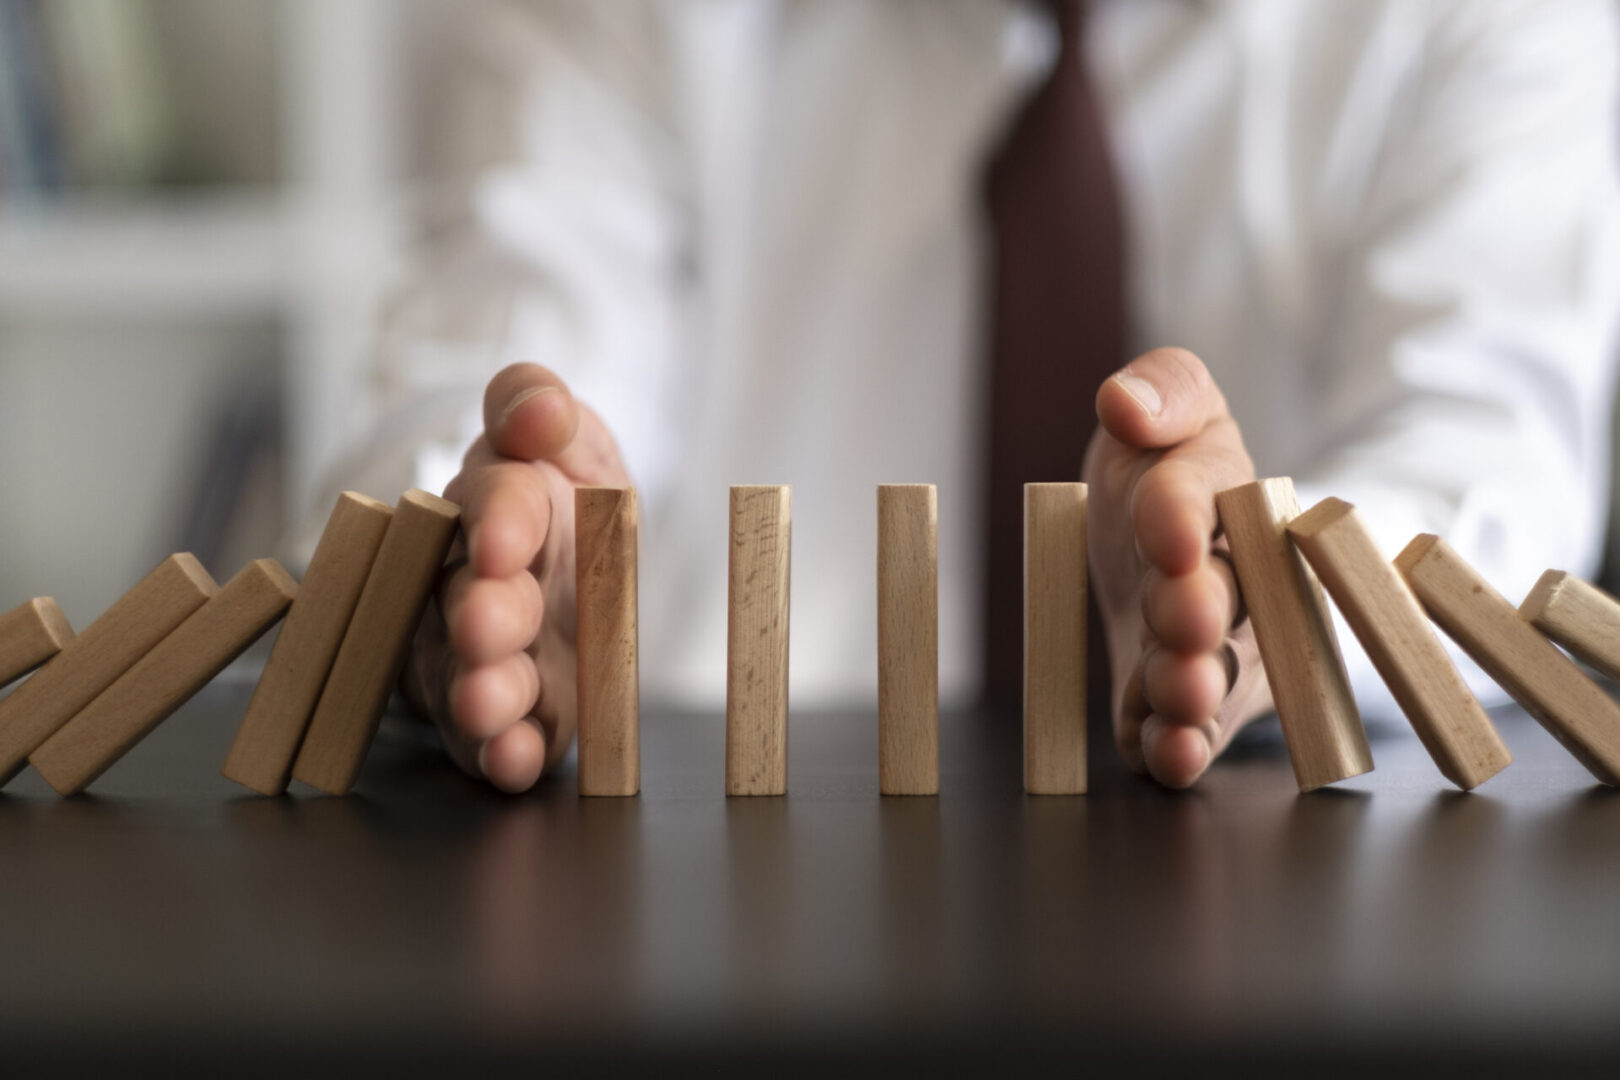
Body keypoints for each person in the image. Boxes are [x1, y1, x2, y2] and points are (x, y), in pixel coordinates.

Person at [317, 0, 1620, 793]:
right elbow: (477, 364)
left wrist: (1261, 592)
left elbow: (1484, 467)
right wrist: (481, 547)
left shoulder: (1489, 19)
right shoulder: (623, 21)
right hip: (690, 923)